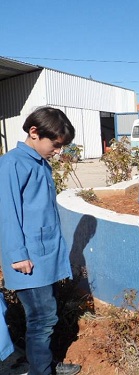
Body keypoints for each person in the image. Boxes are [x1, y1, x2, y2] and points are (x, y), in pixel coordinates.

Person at [0, 107, 81, 375]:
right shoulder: (12, 164)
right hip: (28, 260)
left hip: (43, 256)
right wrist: (17, 255)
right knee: (41, 319)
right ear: (34, 132)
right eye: (55, 145)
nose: (58, 151)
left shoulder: (38, 162)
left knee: (46, 316)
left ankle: (44, 364)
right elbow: (7, 213)